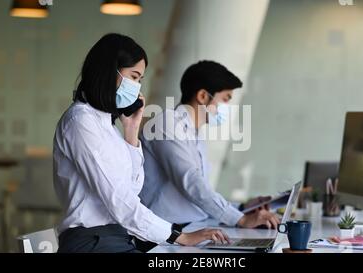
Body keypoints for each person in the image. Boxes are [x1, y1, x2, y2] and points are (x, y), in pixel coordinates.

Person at [53, 34, 229, 253]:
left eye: (140, 80)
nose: (137, 87)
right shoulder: (81, 122)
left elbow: (132, 188)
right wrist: (179, 236)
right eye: (133, 77)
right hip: (91, 242)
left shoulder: (108, 125)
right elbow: (119, 200)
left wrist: (131, 131)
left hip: (117, 237)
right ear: (109, 72)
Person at [138, 61, 280, 251]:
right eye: (226, 99)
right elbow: (191, 182)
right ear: (203, 96)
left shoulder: (195, 132)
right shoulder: (168, 123)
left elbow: (199, 195)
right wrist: (241, 219)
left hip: (192, 228)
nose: (229, 106)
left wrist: (242, 207)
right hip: (164, 237)